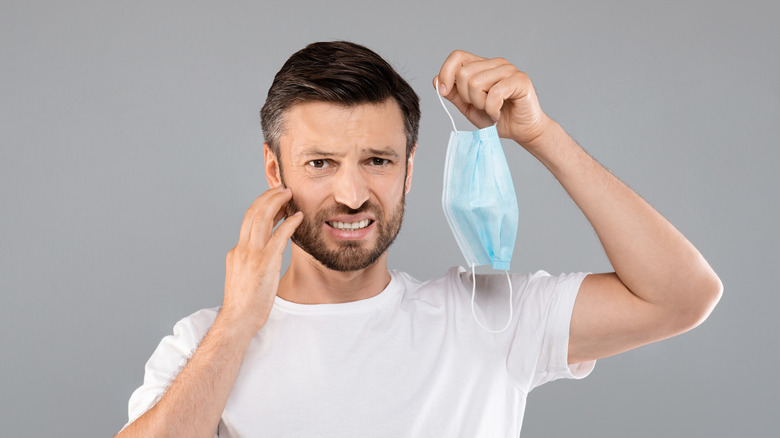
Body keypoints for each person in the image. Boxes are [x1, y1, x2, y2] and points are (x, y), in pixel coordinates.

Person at [115, 41, 722, 437]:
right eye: (320, 163)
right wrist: (236, 324)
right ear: (276, 171)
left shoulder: (490, 318)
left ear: (409, 170)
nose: (352, 194)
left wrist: (540, 135)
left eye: (376, 161)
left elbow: (682, 295)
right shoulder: (203, 343)